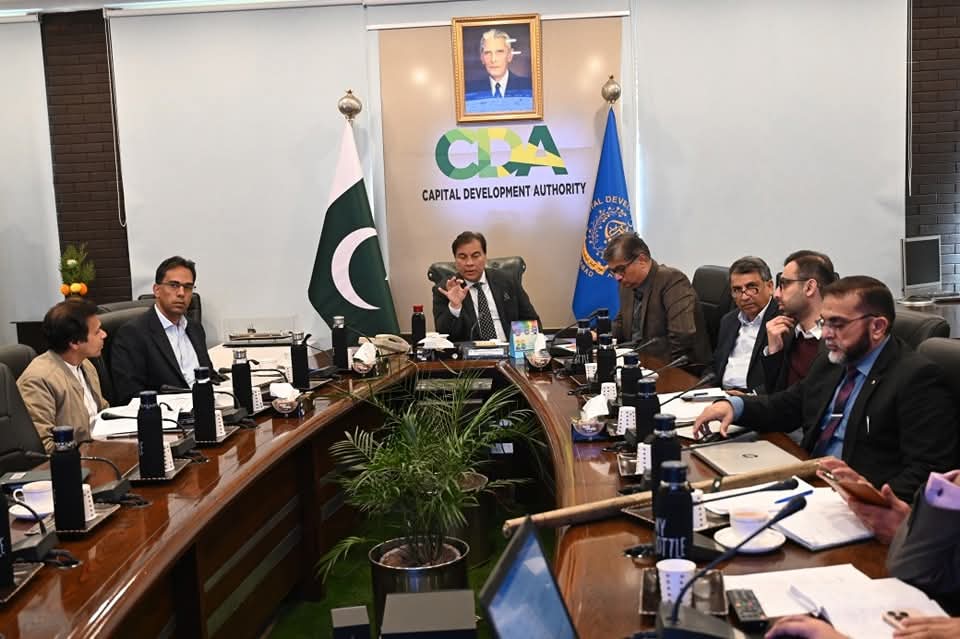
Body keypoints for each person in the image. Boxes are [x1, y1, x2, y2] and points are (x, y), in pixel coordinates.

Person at [693, 276, 958, 501]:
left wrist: (867, 500)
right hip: (811, 480)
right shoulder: (833, 360)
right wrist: (734, 406)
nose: (827, 334)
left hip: (856, 502)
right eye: (825, 322)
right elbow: (789, 405)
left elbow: (927, 472)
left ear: (877, 327)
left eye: (837, 324)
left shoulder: (917, 379)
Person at [111, 256, 215, 404]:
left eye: (188, 287)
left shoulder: (194, 328)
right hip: (169, 414)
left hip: (206, 407)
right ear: (157, 290)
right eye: (174, 285)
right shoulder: (132, 334)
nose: (181, 293)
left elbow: (208, 375)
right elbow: (131, 395)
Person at [603, 232, 712, 367]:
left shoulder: (672, 281)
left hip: (679, 368)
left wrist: (649, 366)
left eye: (621, 269)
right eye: (613, 271)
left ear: (642, 260)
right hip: (638, 363)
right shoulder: (627, 285)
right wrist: (598, 335)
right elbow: (621, 324)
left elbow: (682, 335)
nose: (617, 277)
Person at [17, 298, 109, 451]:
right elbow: (44, 446)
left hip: (100, 449)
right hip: (75, 459)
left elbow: (102, 412)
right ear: (74, 342)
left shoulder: (85, 364)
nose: (104, 334)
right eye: (97, 331)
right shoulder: (38, 380)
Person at [432, 231, 539, 343]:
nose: (469, 263)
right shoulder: (445, 290)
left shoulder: (508, 281)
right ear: (455, 259)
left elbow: (531, 321)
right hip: (471, 352)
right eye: (462, 257)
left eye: (475, 256)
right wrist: (455, 307)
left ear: (485, 256)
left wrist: (522, 348)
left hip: (510, 348)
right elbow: (444, 337)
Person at [762, 250, 836, 392]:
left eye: (784, 284)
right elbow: (775, 396)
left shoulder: (837, 342)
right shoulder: (786, 333)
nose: (776, 294)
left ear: (809, 287)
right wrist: (774, 352)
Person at [712, 256, 778, 392]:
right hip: (721, 394)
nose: (744, 297)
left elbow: (782, 379)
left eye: (752, 288)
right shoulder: (728, 321)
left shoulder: (781, 321)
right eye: (737, 290)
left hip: (755, 398)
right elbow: (715, 366)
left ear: (770, 286)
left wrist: (747, 399)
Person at [464, 29, 533, 105]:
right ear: (482, 58)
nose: (493, 60)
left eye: (499, 52)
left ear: (509, 55)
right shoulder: (469, 90)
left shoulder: (529, 87)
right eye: (487, 53)